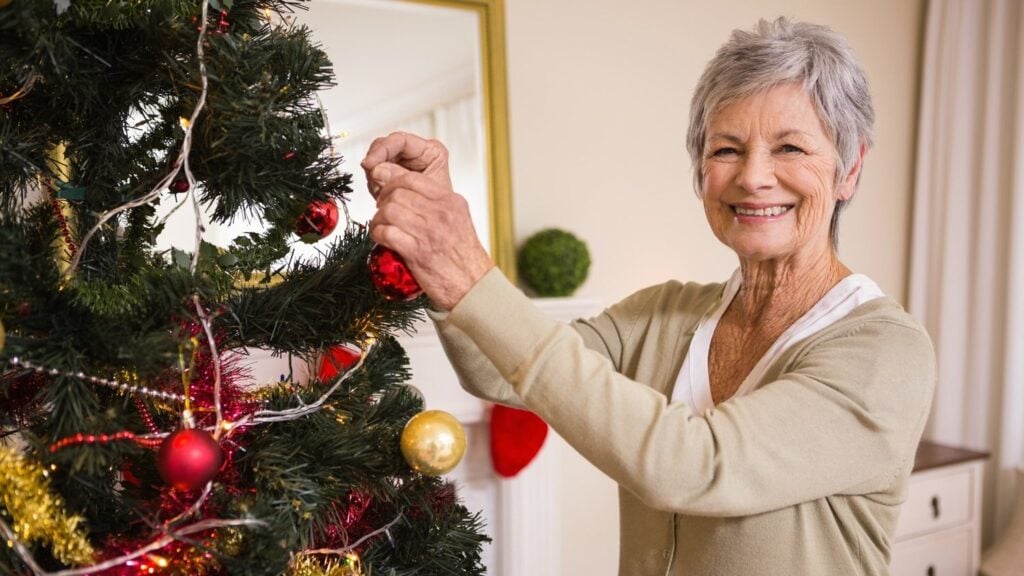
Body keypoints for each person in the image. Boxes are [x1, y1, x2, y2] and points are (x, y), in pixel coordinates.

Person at [361, 17, 935, 576]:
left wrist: (471, 274)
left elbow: (694, 465)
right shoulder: (665, 312)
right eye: (727, 149)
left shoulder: (885, 350)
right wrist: (438, 265)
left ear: (848, 169)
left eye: (789, 148)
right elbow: (496, 368)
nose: (754, 177)